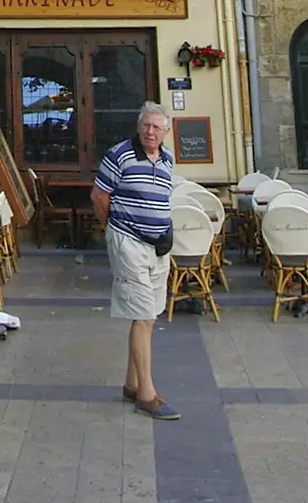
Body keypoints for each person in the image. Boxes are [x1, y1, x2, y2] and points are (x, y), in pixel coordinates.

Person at [91, 101, 179, 420]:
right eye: (146, 126)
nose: (150, 131)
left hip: (158, 248)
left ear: (166, 131)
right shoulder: (120, 154)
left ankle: (131, 383)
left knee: (148, 316)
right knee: (143, 316)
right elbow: (99, 196)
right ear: (138, 126)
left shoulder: (168, 160)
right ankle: (147, 393)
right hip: (129, 243)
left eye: (157, 127)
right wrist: (112, 231)